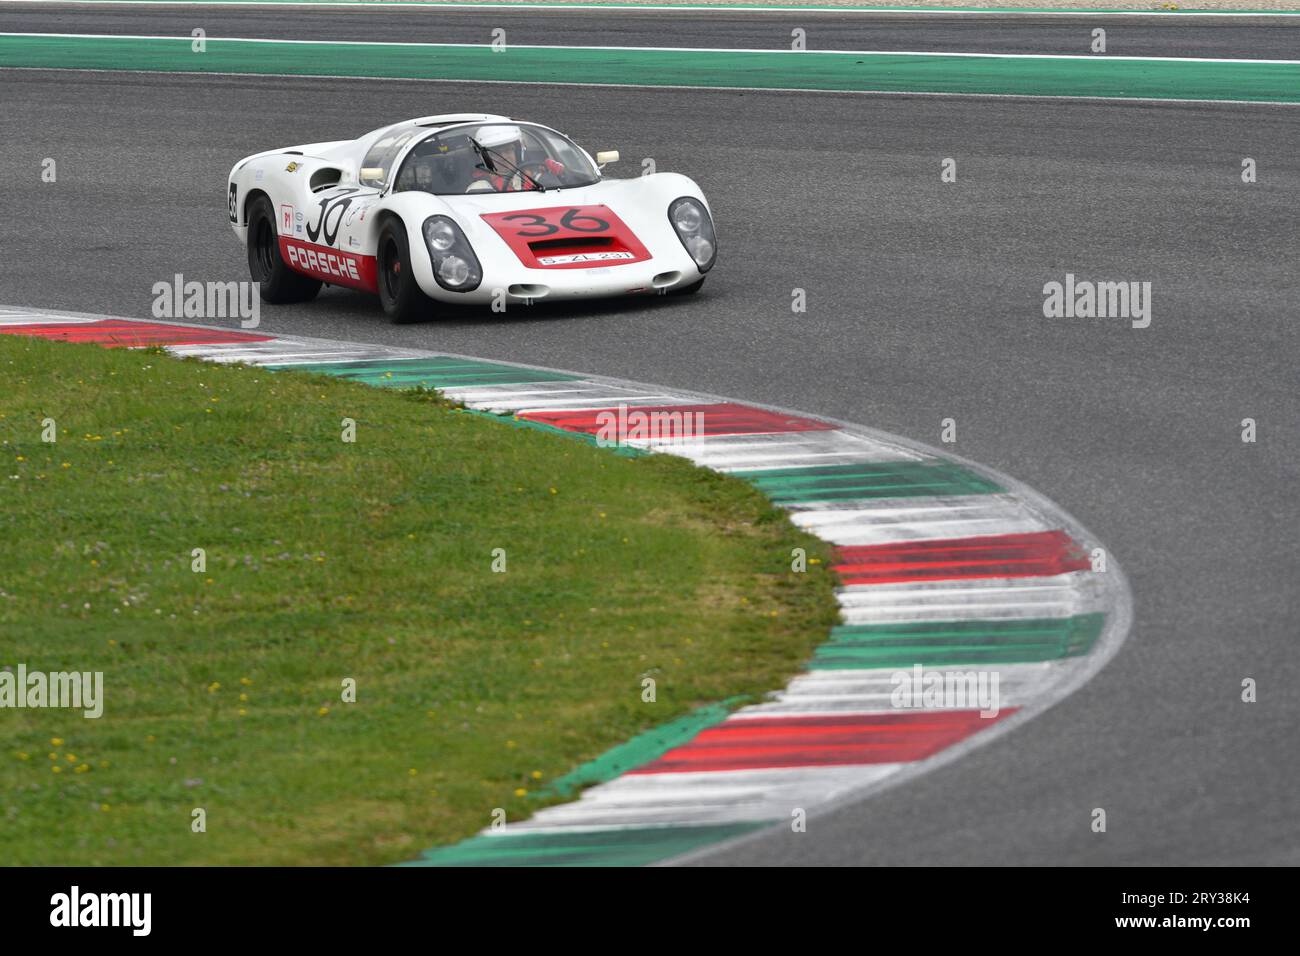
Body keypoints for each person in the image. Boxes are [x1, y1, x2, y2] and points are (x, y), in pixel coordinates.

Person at [468, 125, 564, 192]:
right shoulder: (480, 187)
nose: (504, 157)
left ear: (517, 153)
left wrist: (556, 173)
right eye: (496, 154)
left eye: (508, 151)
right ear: (486, 159)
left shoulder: (534, 175)